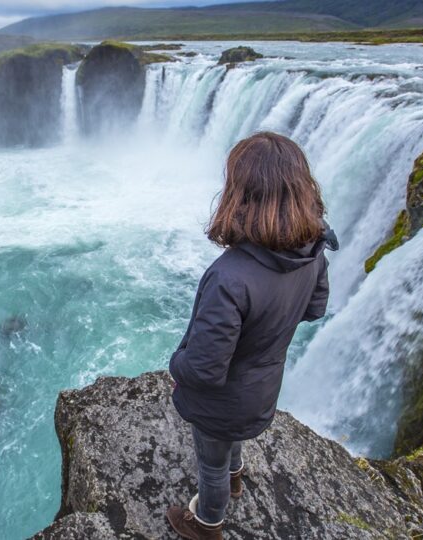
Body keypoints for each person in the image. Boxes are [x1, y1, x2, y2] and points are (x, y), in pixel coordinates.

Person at [166, 132, 338, 540]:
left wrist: (176, 365)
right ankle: (237, 476)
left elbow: (205, 370)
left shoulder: (229, 278)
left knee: (211, 463)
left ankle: (207, 523)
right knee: (232, 438)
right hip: (264, 384)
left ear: (240, 195)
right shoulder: (312, 251)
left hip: (220, 401)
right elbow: (315, 309)